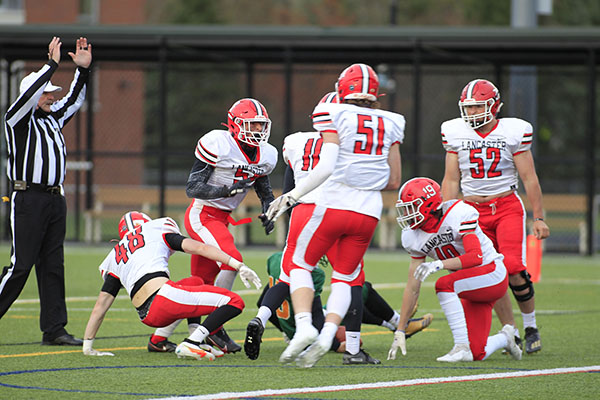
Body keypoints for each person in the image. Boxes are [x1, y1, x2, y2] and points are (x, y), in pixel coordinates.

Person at [266, 63, 404, 368]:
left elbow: (326, 167)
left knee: (300, 265)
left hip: (332, 202)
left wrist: (290, 197)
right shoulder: (392, 121)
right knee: (346, 276)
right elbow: (394, 180)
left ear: (343, 89)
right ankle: (329, 333)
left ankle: (305, 328)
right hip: (368, 210)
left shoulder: (333, 113)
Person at [440, 79, 550, 354]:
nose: (473, 112)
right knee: (490, 270)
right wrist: (447, 214)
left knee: (513, 267)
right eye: (469, 107)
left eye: (478, 106)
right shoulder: (454, 132)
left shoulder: (513, 131)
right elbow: (451, 180)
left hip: (506, 206)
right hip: (472, 210)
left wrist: (538, 217)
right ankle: (509, 331)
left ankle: (530, 326)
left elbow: (529, 177)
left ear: (494, 106)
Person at [0, 36, 92, 346]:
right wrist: (51, 65)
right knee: (20, 265)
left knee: (53, 265)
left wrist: (82, 70)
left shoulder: (52, 119)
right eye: (47, 93)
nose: (52, 98)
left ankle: (54, 329)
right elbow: (25, 99)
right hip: (29, 198)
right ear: (34, 93)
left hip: (55, 199)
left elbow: (74, 100)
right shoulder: (17, 120)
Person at [81, 211, 262, 360]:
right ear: (145, 223)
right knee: (235, 301)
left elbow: (101, 305)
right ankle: (193, 342)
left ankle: (159, 339)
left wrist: (87, 346)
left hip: (147, 315)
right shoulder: (155, 229)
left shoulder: (116, 255)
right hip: (163, 299)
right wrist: (237, 264)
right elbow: (201, 248)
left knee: (195, 282)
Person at [388, 177, 522, 362]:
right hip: (469, 288)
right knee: (477, 353)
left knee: (444, 284)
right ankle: (506, 337)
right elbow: (413, 286)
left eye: (411, 207)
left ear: (428, 205)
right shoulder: (412, 236)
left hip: (492, 274)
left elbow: (475, 257)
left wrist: (439, 264)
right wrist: (400, 329)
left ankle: (460, 346)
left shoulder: (458, 213)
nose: (407, 213)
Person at [184, 98, 277, 353]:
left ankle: (160, 339)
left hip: (222, 219)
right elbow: (192, 188)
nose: (258, 131)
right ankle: (214, 328)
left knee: (200, 280)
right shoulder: (219, 144)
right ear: (235, 125)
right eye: (252, 125)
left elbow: (262, 186)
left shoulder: (266, 154)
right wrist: (226, 189)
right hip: (203, 215)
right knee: (231, 259)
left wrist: (268, 209)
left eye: (261, 125)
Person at [244, 251, 433, 361]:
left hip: (293, 326)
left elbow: (264, 301)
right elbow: (317, 316)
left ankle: (396, 324)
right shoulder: (313, 274)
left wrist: (285, 330)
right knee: (359, 290)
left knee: (349, 300)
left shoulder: (275, 259)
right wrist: (335, 345)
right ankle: (398, 323)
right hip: (309, 328)